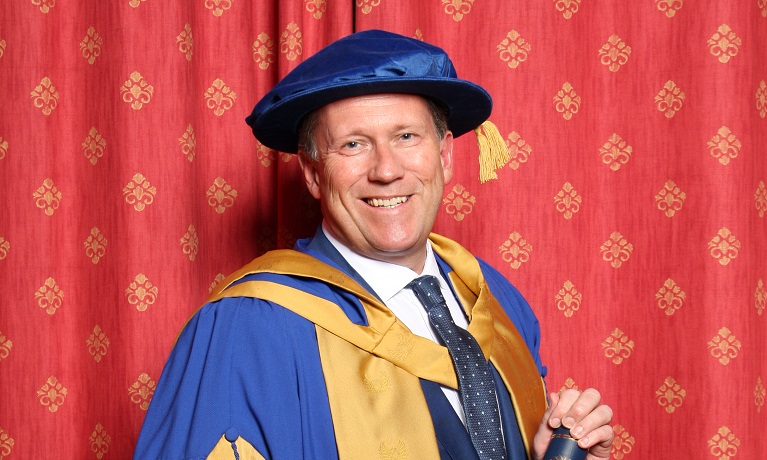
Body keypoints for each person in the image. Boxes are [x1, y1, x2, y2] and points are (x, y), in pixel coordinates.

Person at [134, 30, 613, 460]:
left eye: (406, 136)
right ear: (312, 173)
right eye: (353, 145)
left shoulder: (495, 299)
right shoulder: (247, 329)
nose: (386, 171)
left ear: (444, 155)